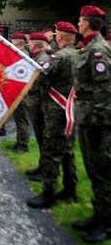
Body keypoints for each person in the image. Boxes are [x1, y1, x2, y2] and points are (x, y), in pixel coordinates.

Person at [27, 21, 79, 208]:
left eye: (57, 33)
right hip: (69, 108)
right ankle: (70, 188)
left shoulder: (58, 57)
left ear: (61, 36)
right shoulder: (76, 54)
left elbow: (41, 79)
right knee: (67, 150)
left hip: (56, 110)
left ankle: (48, 193)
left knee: (51, 151)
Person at [71, 5, 111, 244]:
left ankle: (107, 223)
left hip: (98, 120)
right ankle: (98, 214)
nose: (77, 24)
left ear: (86, 23)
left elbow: (105, 89)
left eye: (79, 21)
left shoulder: (98, 51)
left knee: (103, 171)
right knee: (93, 169)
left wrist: (98, 122)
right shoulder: (89, 48)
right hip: (87, 117)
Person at [25, 32, 50, 181]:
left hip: (40, 102)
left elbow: (41, 82)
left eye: (30, 42)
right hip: (35, 101)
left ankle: (45, 169)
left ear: (34, 44)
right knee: (39, 135)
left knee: (43, 136)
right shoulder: (37, 58)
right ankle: (42, 166)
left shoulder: (42, 60)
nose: (28, 44)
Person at [10, 32, 30, 153]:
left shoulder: (23, 56)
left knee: (22, 119)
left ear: (16, 43)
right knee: (18, 119)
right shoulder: (21, 54)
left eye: (12, 42)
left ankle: (23, 145)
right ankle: (19, 141)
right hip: (17, 91)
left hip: (22, 93)